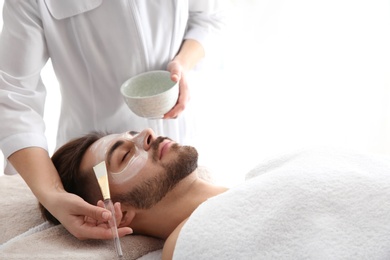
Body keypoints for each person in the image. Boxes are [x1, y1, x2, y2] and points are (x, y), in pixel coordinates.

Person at [0, 1, 225, 240]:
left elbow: (208, 19)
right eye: (124, 155)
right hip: (93, 164)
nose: (146, 132)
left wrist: (182, 63)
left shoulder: (244, 195)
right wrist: (52, 193)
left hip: (179, 133)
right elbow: (13, 95)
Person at [40, 128, 227, 259]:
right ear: (116, 214)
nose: (148, 132)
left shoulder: (251, 182)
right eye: (124, 156)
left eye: (134, 134)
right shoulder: (187, 246)